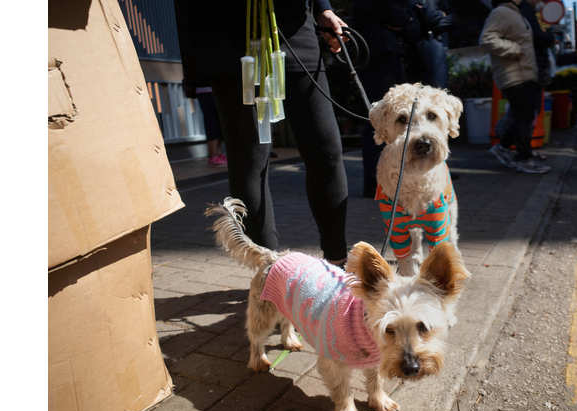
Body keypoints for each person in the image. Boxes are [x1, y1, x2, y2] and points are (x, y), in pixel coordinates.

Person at [174, 0, 351, 266]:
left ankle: (338, 263)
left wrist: (322, 8)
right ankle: (269, 274)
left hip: (293, 28)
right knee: (249, 160)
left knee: (326, 150)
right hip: (228, 32)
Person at [354, 0, 421, 197]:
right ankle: (376, 184)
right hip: (376, 58)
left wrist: (404, 19)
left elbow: (405, 22)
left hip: (387, 57)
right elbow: (393, 13)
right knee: (378, 122)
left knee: (395, 121)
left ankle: (389, 182)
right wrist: (405, 18)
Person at [480, 0, 551, 174]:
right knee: (524, 118)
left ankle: (503, 148)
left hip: (525, 74)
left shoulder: (517, 13)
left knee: (522, 117)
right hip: (514, 75)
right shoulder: (501, 12)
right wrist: (512, 48)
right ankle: (524, 159)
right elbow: (487, 38)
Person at [406, 0, 456, 88]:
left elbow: (453, 18)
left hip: (436, 40)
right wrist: (440, 15)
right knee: (420, 88)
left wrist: (436, 25)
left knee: (439, 88)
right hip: (417, 45)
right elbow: (426, 15)